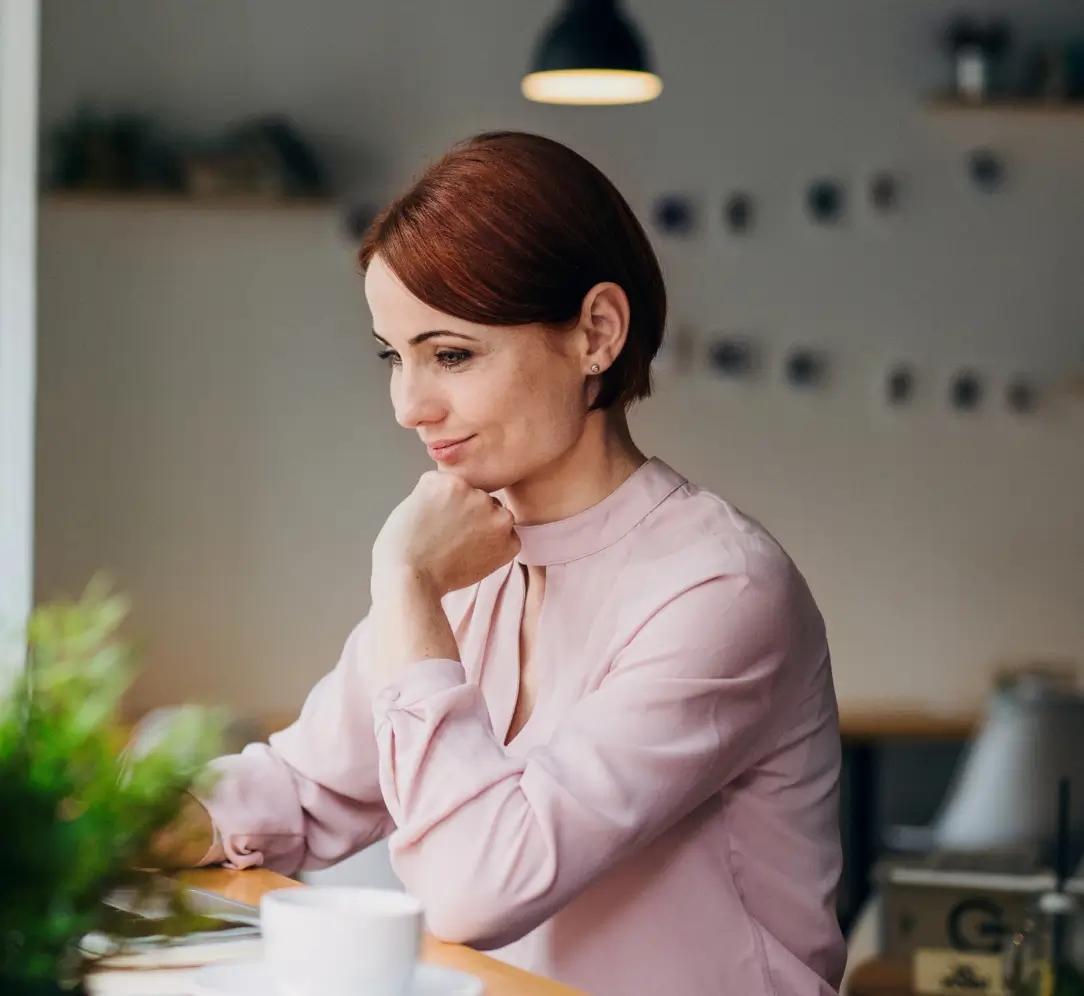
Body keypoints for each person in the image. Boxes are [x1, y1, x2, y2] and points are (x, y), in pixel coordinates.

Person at [167, 131, 846, 996]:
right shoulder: (470, 555)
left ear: (596, 331)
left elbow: (473, 890)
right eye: (394, 355)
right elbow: (303, 785)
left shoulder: (720, 590)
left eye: (450, 354)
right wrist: (107, 824)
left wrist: (405, 584)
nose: (410, 405)